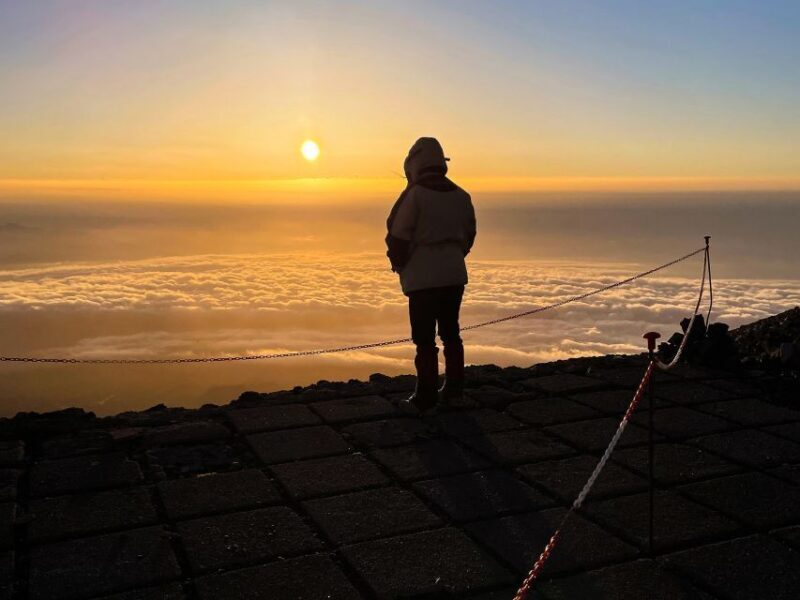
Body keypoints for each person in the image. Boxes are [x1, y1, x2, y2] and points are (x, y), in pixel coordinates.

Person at [385, 137, 477, 412]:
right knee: (451, 333)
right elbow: (469, 235)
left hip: (422, 277)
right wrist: (452, 256)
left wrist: (400, 264)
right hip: (454, 273)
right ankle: (454, 389)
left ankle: (425, 395)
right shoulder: (462, 196)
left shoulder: (414, 195)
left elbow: (398, 236)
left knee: (424, 338)